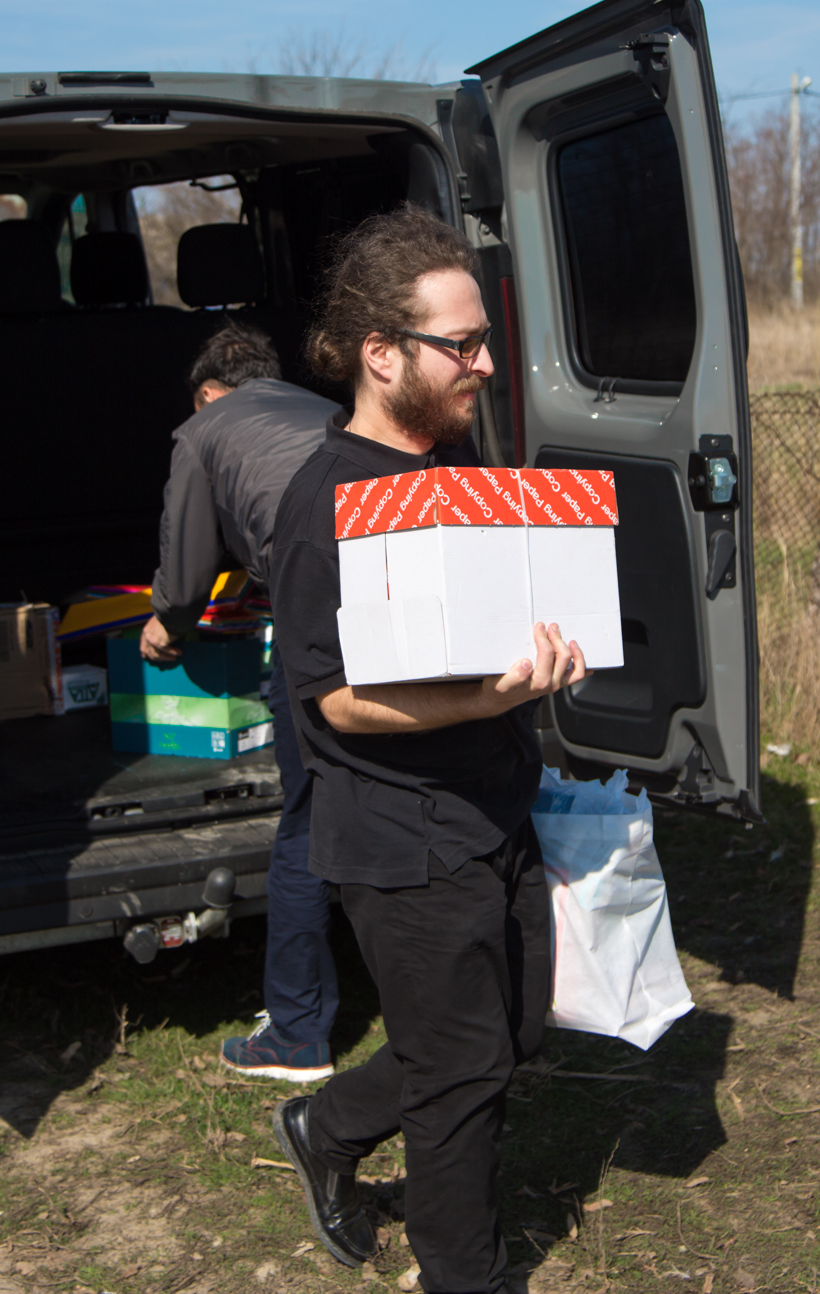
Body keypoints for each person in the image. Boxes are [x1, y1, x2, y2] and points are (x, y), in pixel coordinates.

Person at [266, 207, 588, 1294]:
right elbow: (334, 705)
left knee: (500, 1038)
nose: (487, 365)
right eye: (462, 345)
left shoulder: (454, 472)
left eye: (482, 339)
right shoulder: (330, 502)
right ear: (380, 354)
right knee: (462, 1080)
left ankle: (324, 1124)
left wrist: (546, 656)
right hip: (401, 841)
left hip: (493, 804)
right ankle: (468, 1277)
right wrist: (484, 697)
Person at [139, 318, 344, 1083]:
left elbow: (187, 574)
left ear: (207, 395)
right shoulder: (322, 410)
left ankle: (296, 1032)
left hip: (317, 612)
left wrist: (167, 625)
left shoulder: (205, 430)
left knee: (306, 819)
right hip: (395, 596)